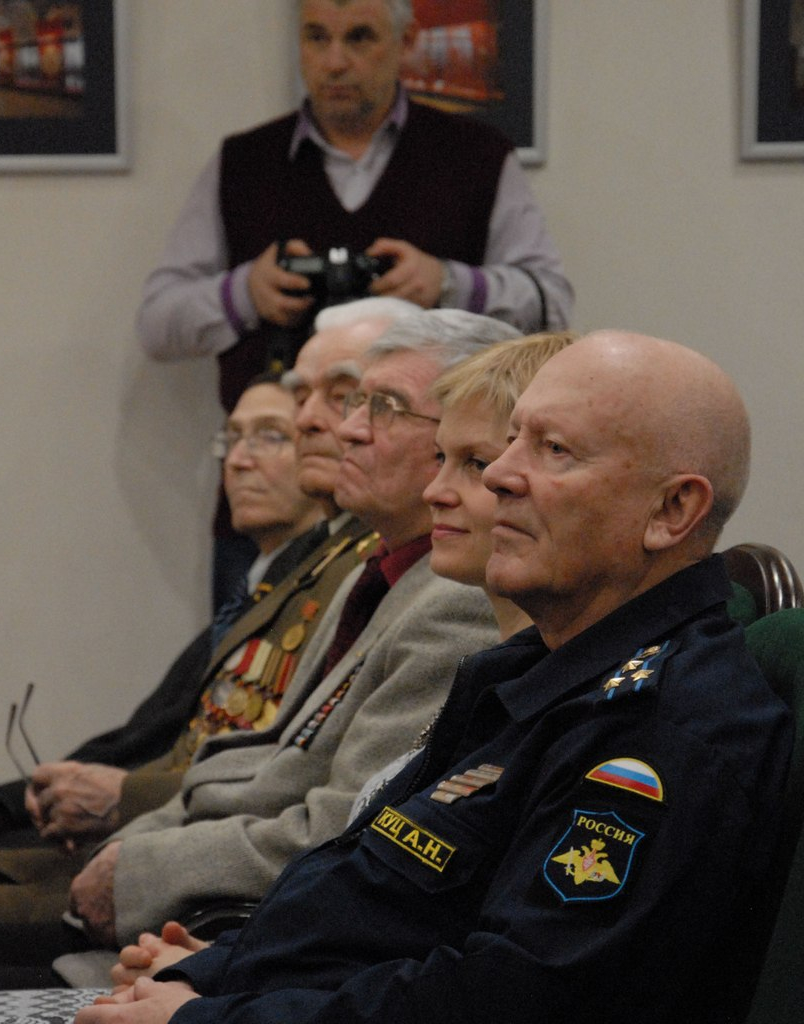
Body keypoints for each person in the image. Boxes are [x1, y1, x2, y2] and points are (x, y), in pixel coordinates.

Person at [76, 331, 791, 1024]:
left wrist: (212, 1018)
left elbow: (509, 999)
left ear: (672, 510)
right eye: (512, 440)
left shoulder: (663, 728)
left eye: (554, 450)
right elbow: (370, 898)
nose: (501, 475)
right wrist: (213, 973)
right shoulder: (530, 672)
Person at [0, 365, 382, 993]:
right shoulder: (283, 582)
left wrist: (123, 814)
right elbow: (150, 732)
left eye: (272, 435)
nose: (239, 461)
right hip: (153, 834)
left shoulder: (351, 582)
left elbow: (278, 785)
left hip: (190, 869)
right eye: (234, 437)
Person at [108, 329, 577, 991]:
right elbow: (363, 873)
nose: (440, 491)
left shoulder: (493, 641)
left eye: (475, 463)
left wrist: (213, 991)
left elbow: (474, 972)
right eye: (447, 459)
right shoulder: (495, 664)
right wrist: (219, 968)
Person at [138, 0, 573, 416]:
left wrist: (449, 284)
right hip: (277, 449)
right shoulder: (244, 162)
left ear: (406, 42)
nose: (335, 62)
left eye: (360, 37)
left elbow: (552, 305)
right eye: (316, 37)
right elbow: (156, 324)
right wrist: (245, 293)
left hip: (430, 447)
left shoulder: (478, 155)